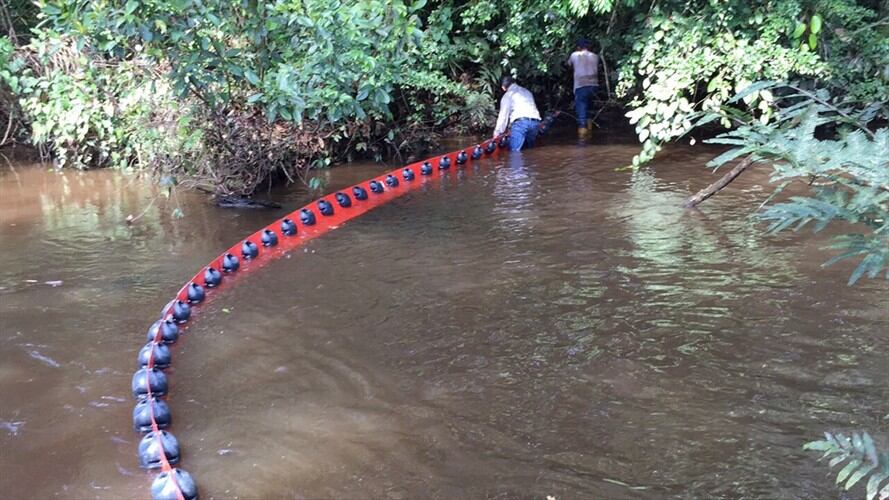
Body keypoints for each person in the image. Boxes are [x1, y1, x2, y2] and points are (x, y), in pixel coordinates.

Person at [493, 76, 542, 151]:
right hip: (535, 122)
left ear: (503, 87)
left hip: (520, 123)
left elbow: (503, 116)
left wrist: (497, 133)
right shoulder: (527, 91)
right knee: (530, 152)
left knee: (515, 153)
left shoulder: (508, 95)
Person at [567, 38, 600, 137]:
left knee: (581, 112)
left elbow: (568, 64)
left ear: (578, 47)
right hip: (594, 86)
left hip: (581, 86)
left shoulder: (574, 55)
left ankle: (582, 139)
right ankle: (590, 133)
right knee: (589, 109)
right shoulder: (595, 56)